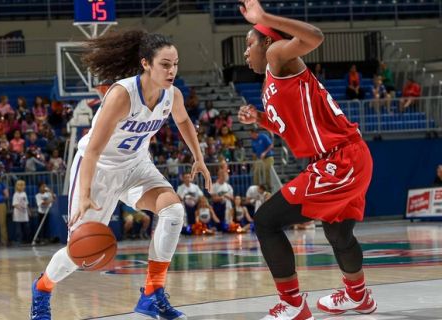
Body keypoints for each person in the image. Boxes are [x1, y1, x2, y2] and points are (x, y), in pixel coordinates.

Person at [30, 29, 211, 320]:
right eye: (165, 64)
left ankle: (152, 295)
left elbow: (184, 120)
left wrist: (198, 157)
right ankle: (41, 289)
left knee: (174, 211)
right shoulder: (122, 95)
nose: (172, 70)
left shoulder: (172, 94)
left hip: (136, 166)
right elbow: (92, 151)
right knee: (80, 252)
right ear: (146, 64)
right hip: (99, 169)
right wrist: (86, 193)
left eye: (175, 63)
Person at [238, 1, 376, 319]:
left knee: (266, 221)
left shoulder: (277, 57)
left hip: (340, 159)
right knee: (338, 234)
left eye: (249, 44)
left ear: (269, 42)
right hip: (346, 157)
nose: (246, 53)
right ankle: (359, 297)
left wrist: (264, 18)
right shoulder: (272, 81)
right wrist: (259, 118)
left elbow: (314, 36)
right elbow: (293, 128)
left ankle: (293, 304)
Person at [12, 180, 31, 244]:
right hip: (18, 214)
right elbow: (15, 204)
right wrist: (21, 209)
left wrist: (28, 211)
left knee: (27, 228)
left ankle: (27, 240)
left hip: (25, 214)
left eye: (23, 185)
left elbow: (26, 203)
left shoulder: (24, 194)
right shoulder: (16, 194)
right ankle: (19, 240)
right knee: (18, 229)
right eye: (20, 185)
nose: (22, 187)